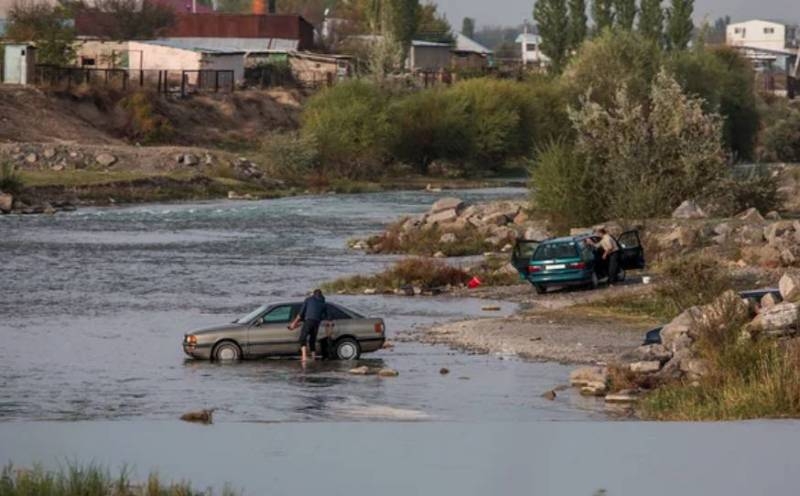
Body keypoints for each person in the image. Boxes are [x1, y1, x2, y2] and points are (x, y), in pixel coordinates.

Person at [289, 289, 329, 362]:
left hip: (309, 321)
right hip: (317, 322)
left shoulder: (309, 300)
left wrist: (294, 323)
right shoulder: (323, 302)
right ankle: (313, 357)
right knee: (312, 340)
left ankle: (304, 357)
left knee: (302, 338)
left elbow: (301, 313)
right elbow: (325, 315)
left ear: (313, 294)